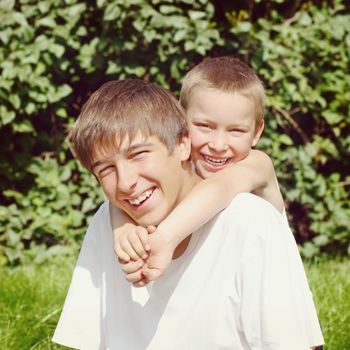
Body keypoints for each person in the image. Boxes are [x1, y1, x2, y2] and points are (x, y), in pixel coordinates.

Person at [52, 79, 324, 349]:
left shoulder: (249, 219)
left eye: (138, 155)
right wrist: (119, 224)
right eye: (105, 170)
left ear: (184, 144)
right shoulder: (109, 221)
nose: (125, 182)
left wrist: (165, 237)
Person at [111, 57, 282, 284]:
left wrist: (165, 238)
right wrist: (123, 228)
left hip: (262, 286)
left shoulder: (258, 164)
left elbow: (222, 186)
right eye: (204, 126)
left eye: (236, 131)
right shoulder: (182, 168)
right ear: (180, 120)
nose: (219, 145)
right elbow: (130, 192)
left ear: (257, 131)